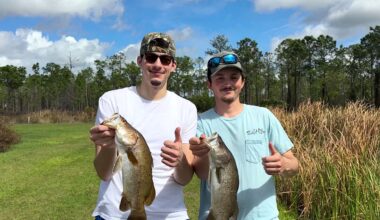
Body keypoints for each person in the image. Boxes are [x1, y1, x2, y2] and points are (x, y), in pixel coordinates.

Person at [89, 32, 197, 220]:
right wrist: (108, 146)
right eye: (151, 57)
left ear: (173, 65)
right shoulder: (112, 100)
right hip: (114, 213)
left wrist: (180, 158)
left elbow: (184, 179)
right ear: (140, 61)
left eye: (165, 59)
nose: (157, 64)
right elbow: (103, 173)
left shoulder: (186, 108)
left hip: (171, 214)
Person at [189, 51, 299, 220]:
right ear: (209, 84)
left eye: (234, 77)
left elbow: (294, 165)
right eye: (220, 78)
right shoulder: (200, 122)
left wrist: (283, 164)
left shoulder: (264, 116)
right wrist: (202, 154)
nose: (228, 83)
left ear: (243, 82)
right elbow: (202, 174)